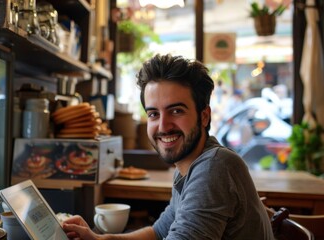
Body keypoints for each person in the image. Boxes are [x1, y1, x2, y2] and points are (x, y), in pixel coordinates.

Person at [63, 54, 274, 239]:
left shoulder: (214, 167)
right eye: (154, 114)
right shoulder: (187, 167)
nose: (163, 126)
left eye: (176, 111)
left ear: (204, 116)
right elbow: (158, 232)